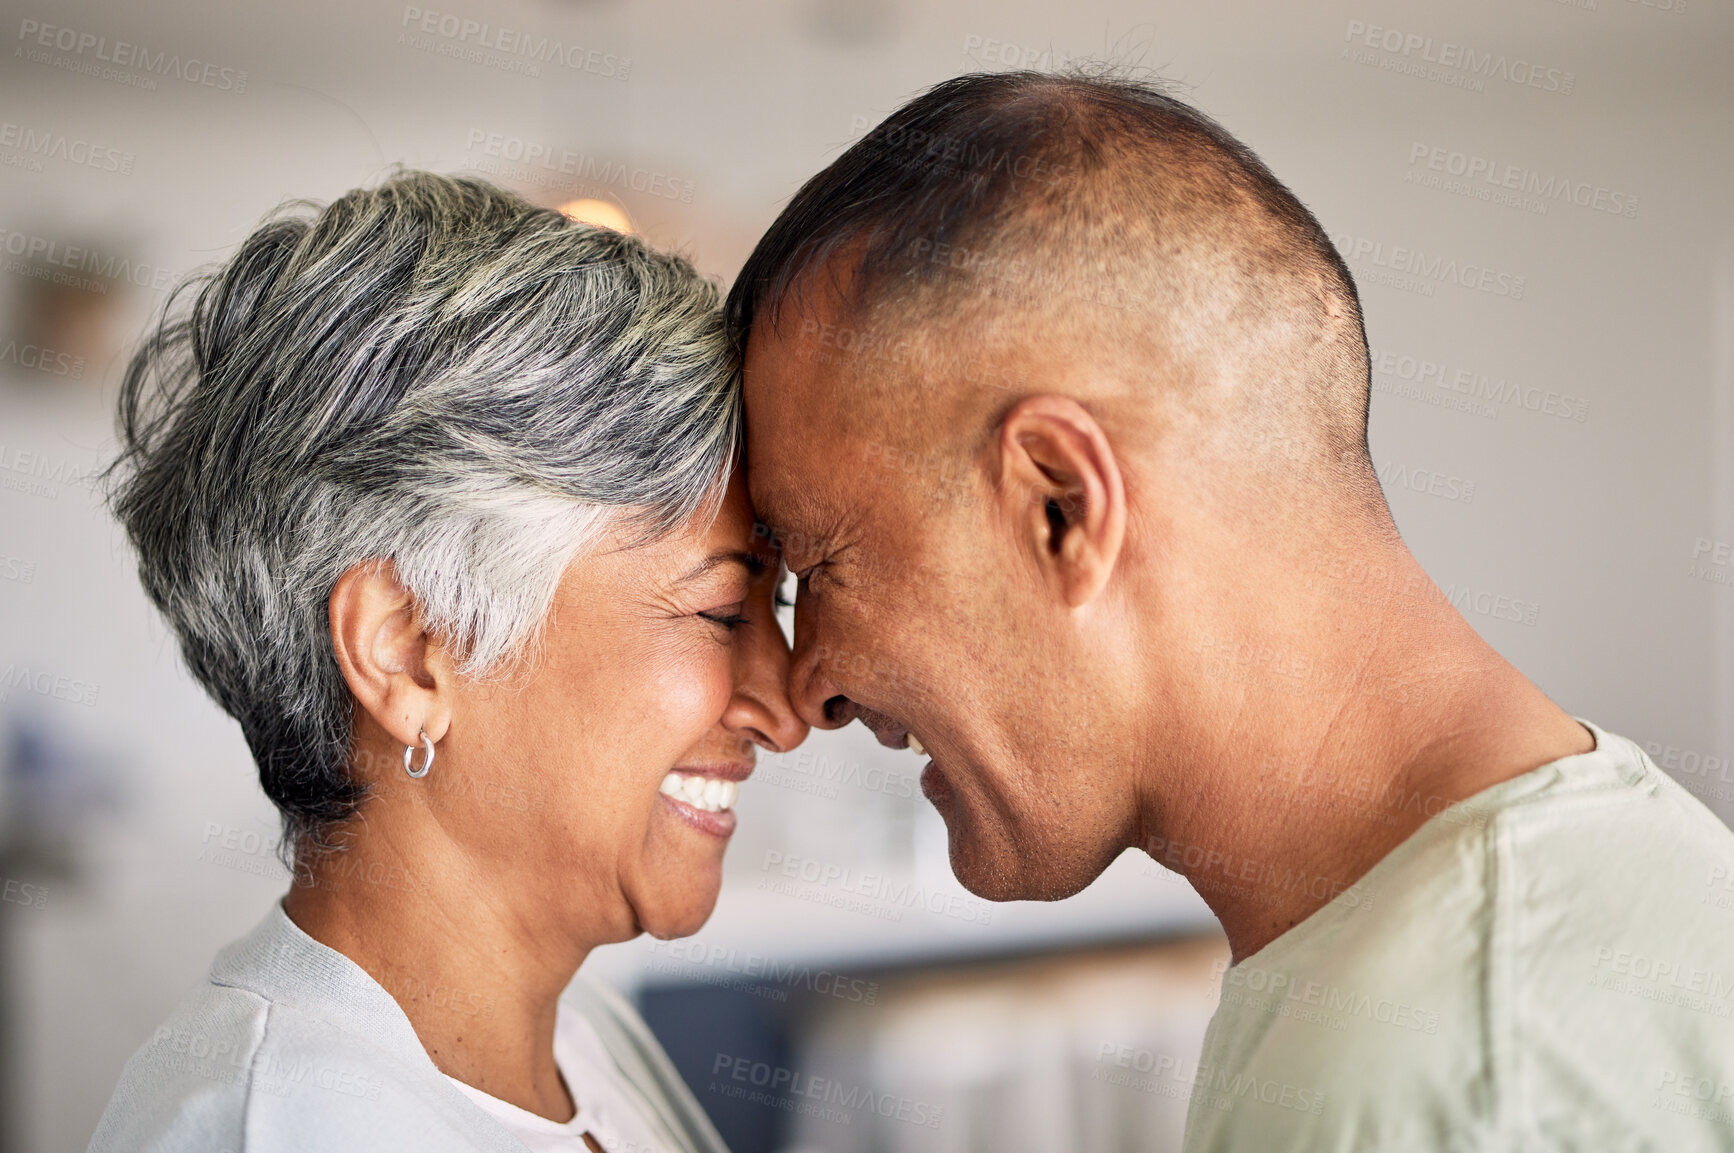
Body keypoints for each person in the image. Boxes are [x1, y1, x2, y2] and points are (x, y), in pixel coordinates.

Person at [726, 71, 1734, 1150]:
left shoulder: (1438, 1075)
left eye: (819, 562)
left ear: (1060, 507)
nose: (804, 684)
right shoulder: (1508, 945)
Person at [90, 172, 807, 1153]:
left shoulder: (583, 1041)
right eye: (724, 610)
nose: (788, 705)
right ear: (409, 651)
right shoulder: (288, 1128)